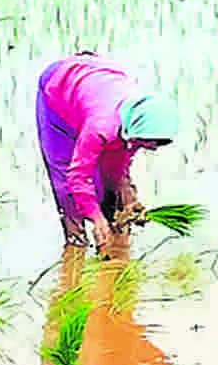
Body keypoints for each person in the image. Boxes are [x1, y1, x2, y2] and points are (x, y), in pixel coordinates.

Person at [36, 54, 178, 251]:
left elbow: (118, 166)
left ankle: (115, 230)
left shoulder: (139, 118)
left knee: (111, 182)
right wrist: (95, 218)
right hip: (59, 86)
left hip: (100, 79)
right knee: (65, 173)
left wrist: (128, 196)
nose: (153, 147)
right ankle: (75, 241)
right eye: (152, 143)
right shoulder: (101, 127)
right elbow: (78, 175)